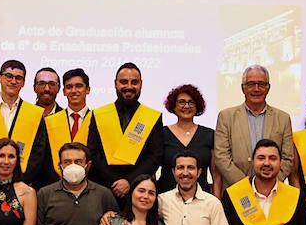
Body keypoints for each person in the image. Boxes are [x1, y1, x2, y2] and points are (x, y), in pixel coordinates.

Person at [32, 142, 118, 225]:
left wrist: (111, 215)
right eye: (67, 162)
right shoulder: (45, 194)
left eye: (78, 161)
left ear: (87, 165)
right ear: (59, 165)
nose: (72, 166)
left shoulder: (103, 194)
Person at [89, 63, 163, 199]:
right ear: (115, 84)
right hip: (104, 188)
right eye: (124, 82)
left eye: (134, 82)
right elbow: (93, 153)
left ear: (141, 84)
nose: (129, 86)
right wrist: (115, 182)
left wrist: (129, 181)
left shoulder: (152, 117)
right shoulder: (99, 114)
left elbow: (155, 156)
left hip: (140, 190)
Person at [0, 59, 48, 186]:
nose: (13, 81)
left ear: (23, 83)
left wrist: (21, 180)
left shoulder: (35, 114)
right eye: (8, 76)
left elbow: (38, 153)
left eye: (18, 78)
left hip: (23, 186)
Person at [213, 64, 295, 187]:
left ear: (268, 88)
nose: (256, 89)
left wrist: (268, 183)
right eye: (251, 84)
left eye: (261, 84)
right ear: (243, 88)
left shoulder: (283, 118)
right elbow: (221, 156)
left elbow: (288, 158)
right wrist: (247, 185)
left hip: (272, 191)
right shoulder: (226, 117)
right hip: (236, 190)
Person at [158, 83, 218, 195]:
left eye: (191, 102)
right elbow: (152, 169)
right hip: (166, 199)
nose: (186, 106)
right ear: (173, 106)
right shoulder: (161, 134)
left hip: (201, 199)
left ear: (197, 106)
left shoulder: (209, 134)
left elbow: (216, 174)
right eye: (181, 102)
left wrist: (217, 200)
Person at [43, 68, 94, 181]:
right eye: (69, 87)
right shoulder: (50, 121)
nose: (74, 90)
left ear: (88, 90)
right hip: (55, 183)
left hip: (90, 184)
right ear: (64, 91)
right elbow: (46, 158)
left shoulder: (96, 120)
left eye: (79, 86)